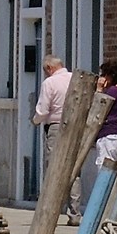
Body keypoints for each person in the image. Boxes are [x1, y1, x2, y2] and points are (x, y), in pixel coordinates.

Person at [76, 60, 117, 209]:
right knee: (116, 172)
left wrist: (99, 89)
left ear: (111, 76)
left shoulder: (113, 91)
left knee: (104, 170)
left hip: (109, 136)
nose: (102, 78)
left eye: (104, 75)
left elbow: (98, 106)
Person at [30, 53, 76, 215]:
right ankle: (75, 211)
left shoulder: (49, 83)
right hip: (76, 126)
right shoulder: (74, 78)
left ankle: (50, 210)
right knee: (73, 168)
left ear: (50, 68)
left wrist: (35, 120)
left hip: (56, 126)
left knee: (53, 167)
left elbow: (42, 110)